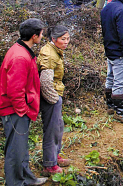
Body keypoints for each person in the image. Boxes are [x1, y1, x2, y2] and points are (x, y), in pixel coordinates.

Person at [0, 19, 48, 186]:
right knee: (15, 150)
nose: (43, 36)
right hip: (14, 111)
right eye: (41, 33)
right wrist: (22, 111)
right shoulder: (20, 57)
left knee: (21, 148)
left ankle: (26, 178)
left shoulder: (21, 50)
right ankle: (15, 183)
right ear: (34, 36)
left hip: (19, 109)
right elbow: (15, 90)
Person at [37, 25, 72, 176]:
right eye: (63, 39)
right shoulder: (49, 55)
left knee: (58, 127)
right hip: (50, 97)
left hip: (56, 92)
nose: (66, 42)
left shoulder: (55, 51)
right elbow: (45, 81)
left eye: (68, 39)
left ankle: (55, 156)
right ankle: (49, 165)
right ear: (53, 39)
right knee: (51, 130)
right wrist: (54, 99)